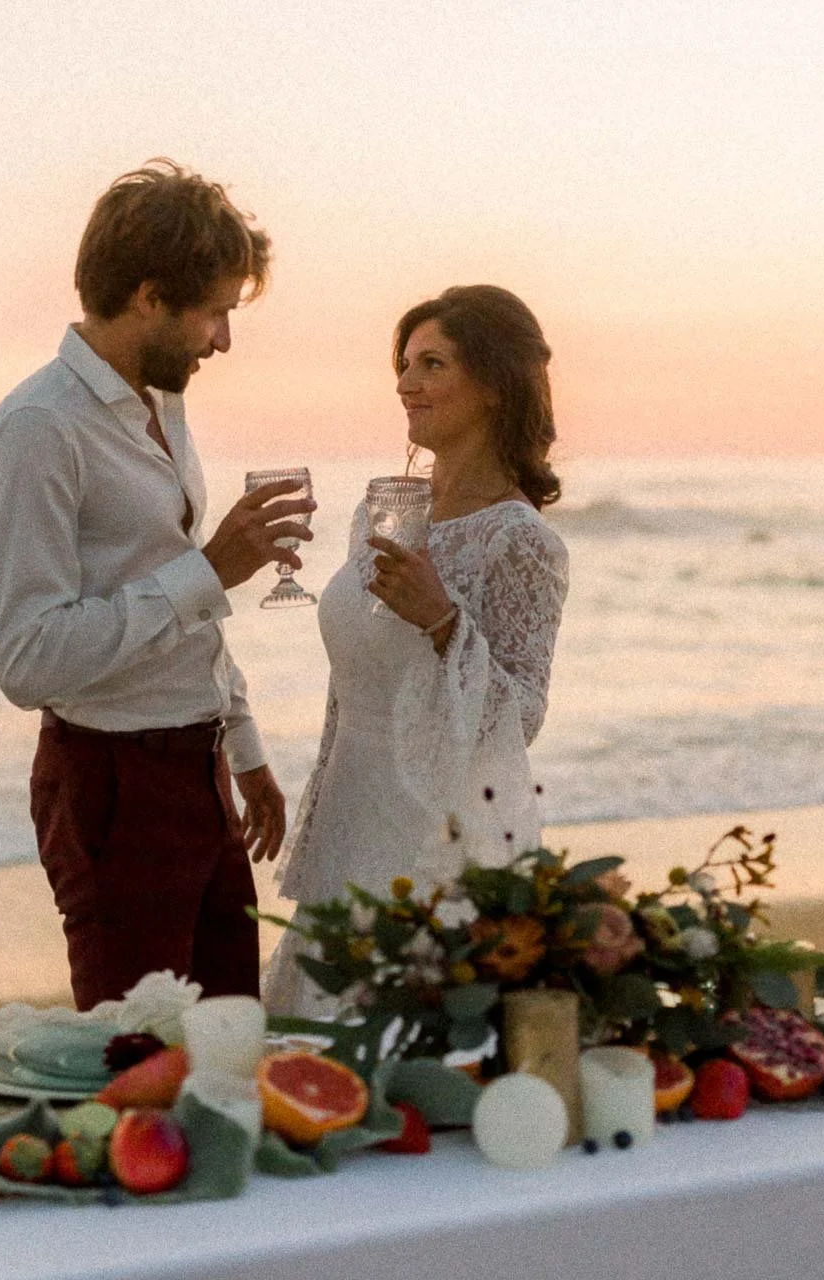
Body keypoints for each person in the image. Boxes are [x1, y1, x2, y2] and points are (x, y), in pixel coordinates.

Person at [0, 160, 314, 1009]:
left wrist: (246, 747)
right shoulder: (37, 433)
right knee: (140, 1072)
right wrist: (211, 569)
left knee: (234, 1046)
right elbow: (27, 659)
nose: (223, 340)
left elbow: (175, 611)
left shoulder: (162, 406)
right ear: (152, 297)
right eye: (216, 311)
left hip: (201, 775)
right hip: (114, 792)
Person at [263, 284, 569, 1016]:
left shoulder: (520, 540)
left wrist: (444, 623)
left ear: (494, 384)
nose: (406, 384)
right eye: (405, 364)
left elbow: (522, 716)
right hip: (351, 815)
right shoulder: (382, 509)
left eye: (433, 364)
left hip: (440, 835)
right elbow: (351, 686)